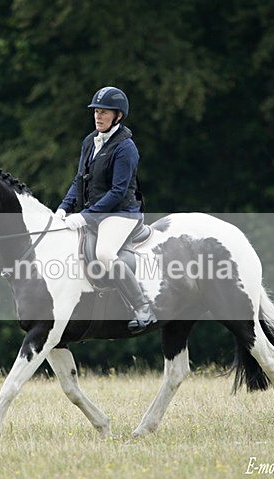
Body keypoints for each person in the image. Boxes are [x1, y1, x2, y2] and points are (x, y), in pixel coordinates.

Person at [56, 86, 157, 333]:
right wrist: (62, 208)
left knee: (104, 253)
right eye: (96, 112)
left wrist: (84, 216)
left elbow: (118, 192)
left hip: (122, 214)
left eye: (104, 113)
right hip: (96, 212)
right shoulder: (90, 141)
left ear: (118, 116)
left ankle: (143, 307)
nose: (98, 117)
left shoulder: (126, 148)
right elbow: (79, 180)